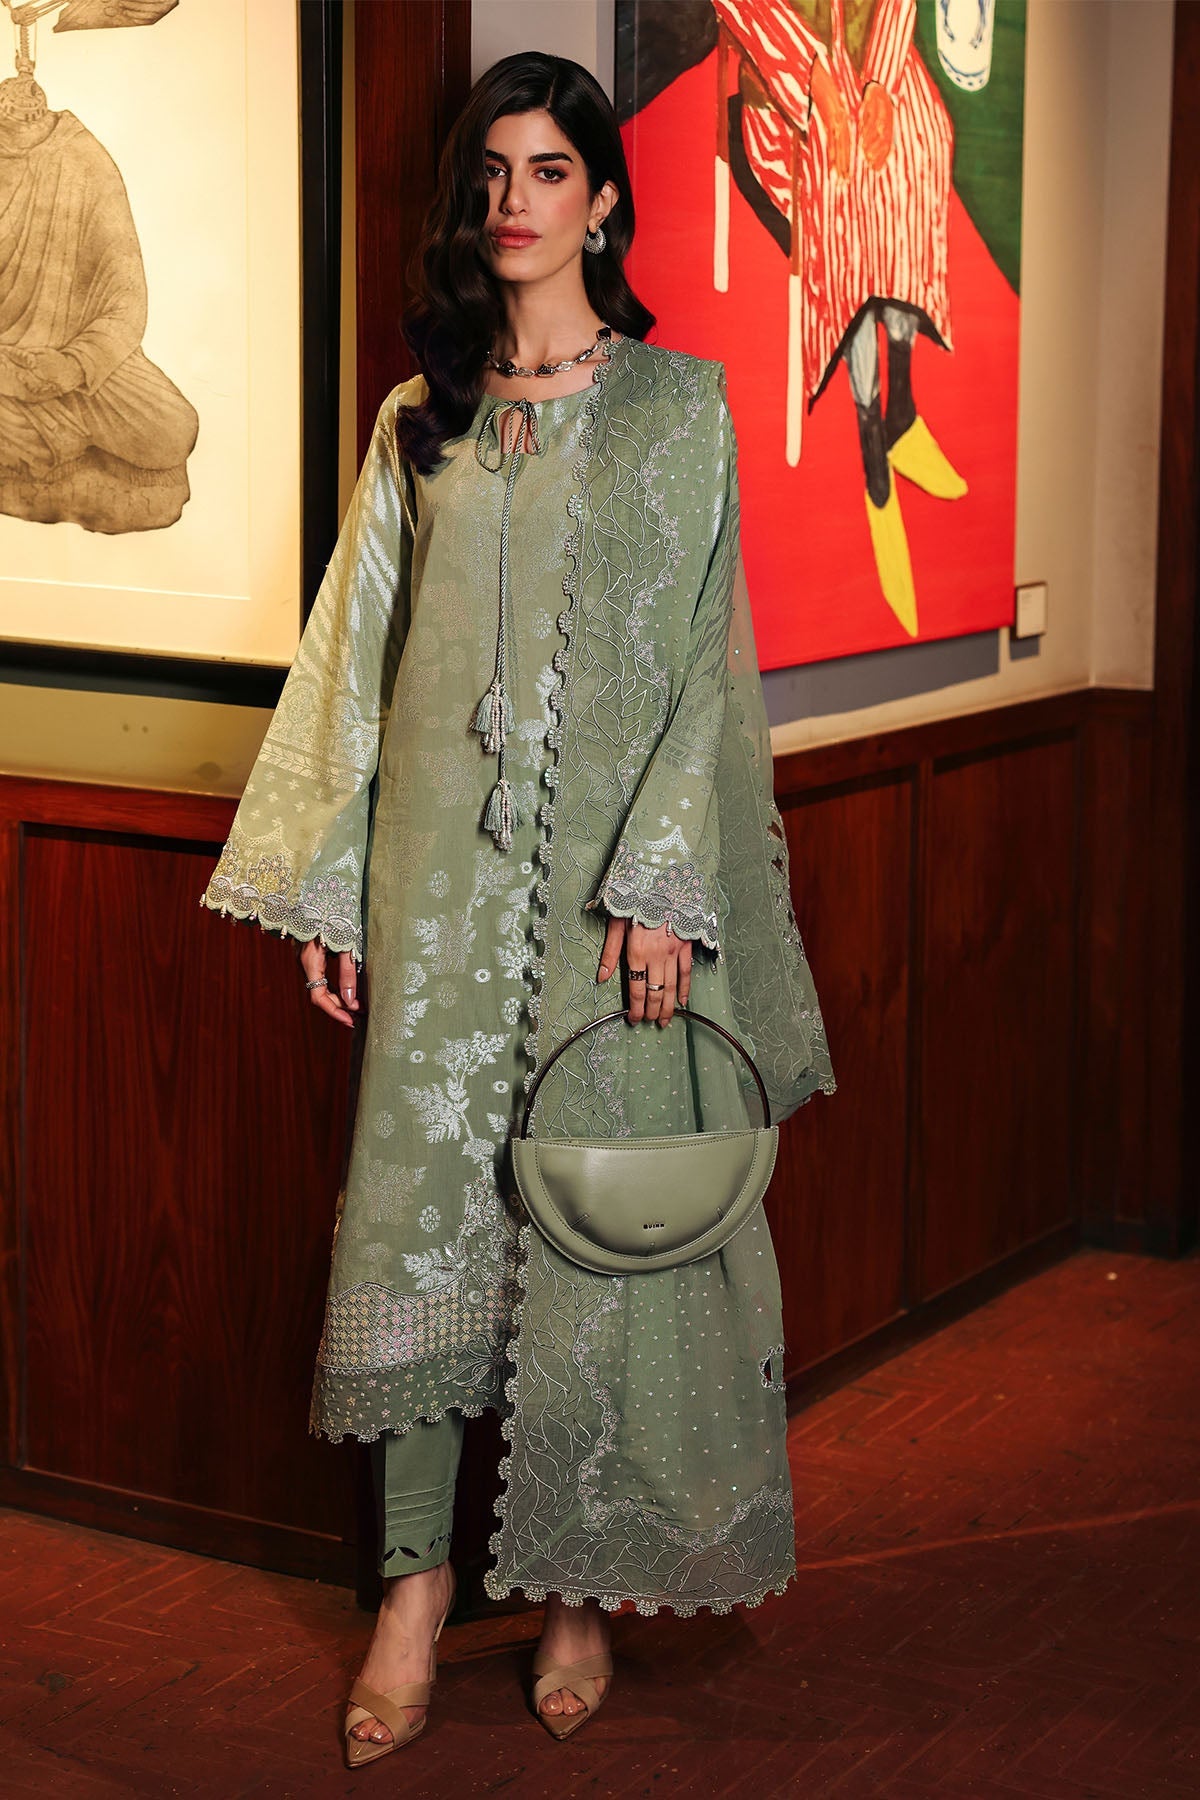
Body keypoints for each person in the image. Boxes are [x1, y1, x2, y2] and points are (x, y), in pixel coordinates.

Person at [201, 50, 835, 1763]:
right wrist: (332, 890)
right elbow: (352, 663)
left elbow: (705, 672)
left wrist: (664, 889)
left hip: (607, 904)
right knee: (418, 1224)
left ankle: (574, 1586)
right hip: (435, 889)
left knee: (586, 1224)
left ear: (603, 199)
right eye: (492, 173)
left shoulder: (677, 411)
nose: (514, 203)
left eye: (549, 172)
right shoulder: (423, 421)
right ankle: (412, 1594)